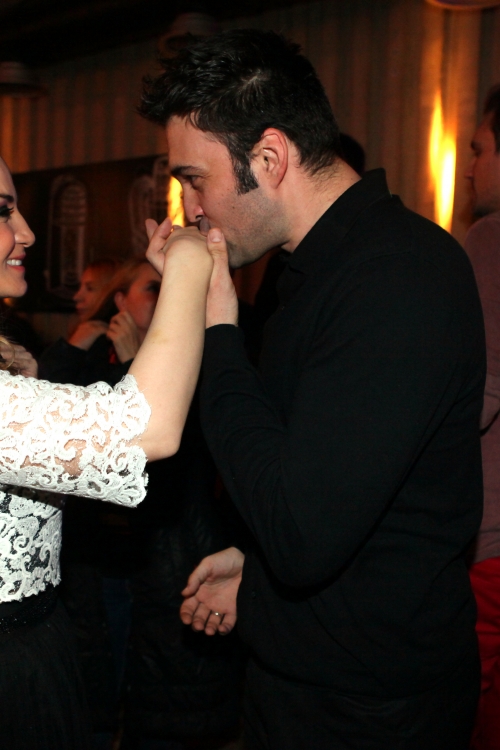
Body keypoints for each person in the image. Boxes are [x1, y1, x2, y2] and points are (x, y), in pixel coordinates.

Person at [139, 29, 485, 750]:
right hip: (313, 679)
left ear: (269, 159)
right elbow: (326, 487)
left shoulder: (398, 275)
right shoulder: (315, 271)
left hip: (373, 709)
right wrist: (256, 565)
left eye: (195, 179)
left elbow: (302, 535)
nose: (190, 208)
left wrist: (218, 329)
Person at [0, 155, 213, 750]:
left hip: (38, 645)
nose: (27, 232)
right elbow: (144, 431)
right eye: (2, 211)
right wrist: (188, 267)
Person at [463, 84, 500, 750]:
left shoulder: (491, 239)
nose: (470, 168)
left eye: (479, 150)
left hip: (490, 543)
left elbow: (475, 396)